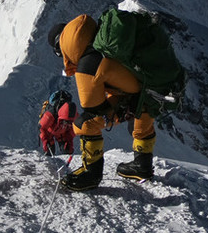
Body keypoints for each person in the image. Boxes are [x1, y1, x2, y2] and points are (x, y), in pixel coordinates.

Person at [48, 15, 156, 191]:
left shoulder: (87, 65)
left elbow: (94, 111)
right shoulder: (104, 43)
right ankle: (142, 165)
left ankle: (91, 174)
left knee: (85, 123)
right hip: (153, 87)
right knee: (143, 105)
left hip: (135, 95)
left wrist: (117, 111)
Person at [39, 90, 76, 157]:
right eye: (66, 121)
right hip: (49, 133)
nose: (68, 124)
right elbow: (42, 128)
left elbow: (71, 132)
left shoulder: (74, 117)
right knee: (49, 151)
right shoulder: (50, 115)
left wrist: (69, 142)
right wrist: (45, 141)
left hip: (61, 132)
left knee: (67, 150)